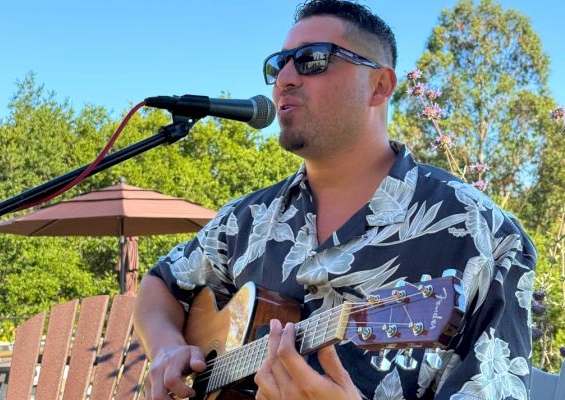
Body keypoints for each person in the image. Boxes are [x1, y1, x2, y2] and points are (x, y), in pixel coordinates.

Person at [134, 1, 537, 399]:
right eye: (279, 63)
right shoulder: (247, 219)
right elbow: (161, 284)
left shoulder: (482, 234)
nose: (285, 78)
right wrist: (168, 347)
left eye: (312, 59)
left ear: (379, 86)